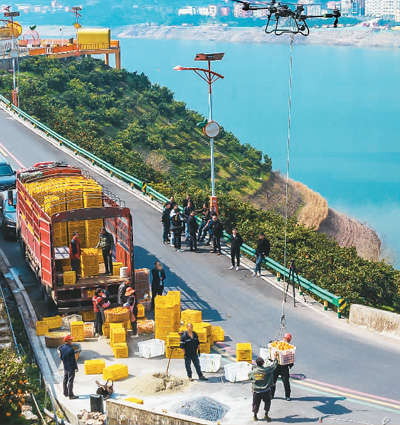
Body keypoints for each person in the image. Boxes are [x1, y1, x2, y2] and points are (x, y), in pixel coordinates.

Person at [248, 355, 278, 422]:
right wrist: (275, 358)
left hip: (256, 391)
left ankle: (255, 416)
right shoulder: (267, 370)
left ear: (256, 363)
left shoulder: (253, 372)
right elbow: (274, 366)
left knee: (255, 403)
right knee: (267, 402)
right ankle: (266, 414)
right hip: (266, 390)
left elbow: (249, 377)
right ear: (263, 363)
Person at [270, 333, 293, 401]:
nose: (286, 340)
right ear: (283, 338)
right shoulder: (279, 344)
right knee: (273, 381)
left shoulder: (290, 348)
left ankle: (287, 395)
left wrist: (290, 363)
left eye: (288, 340)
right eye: (286, 339)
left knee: (286, 382)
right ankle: (271, 394)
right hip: (276, 366)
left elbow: (291, 358)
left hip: (284, 367)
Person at [59, 335, 79, 399]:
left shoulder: (62, 348)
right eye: (71, 340)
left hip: (65, 366)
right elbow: (73, 360)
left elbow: (61, 358)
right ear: (67, 341)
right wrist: (76, 367)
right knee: (70, 381)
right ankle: (71, 395)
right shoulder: (71, 349)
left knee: (65, 379)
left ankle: (65, 392)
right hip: (71, 367)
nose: (72, 341)